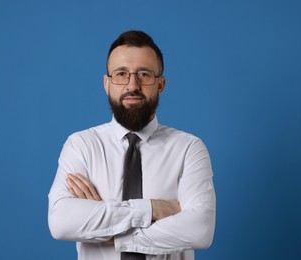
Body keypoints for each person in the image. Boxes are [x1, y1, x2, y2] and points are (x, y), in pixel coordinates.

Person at [48, 30, 216, 260]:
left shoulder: (189, 149)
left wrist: (108, 227)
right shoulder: (81, 146)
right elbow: (61, 222)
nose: (132, 85)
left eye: (144, 74)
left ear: (161, 84)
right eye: (121, 74)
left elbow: (200, 230)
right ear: (107, 84)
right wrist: (153, 209)